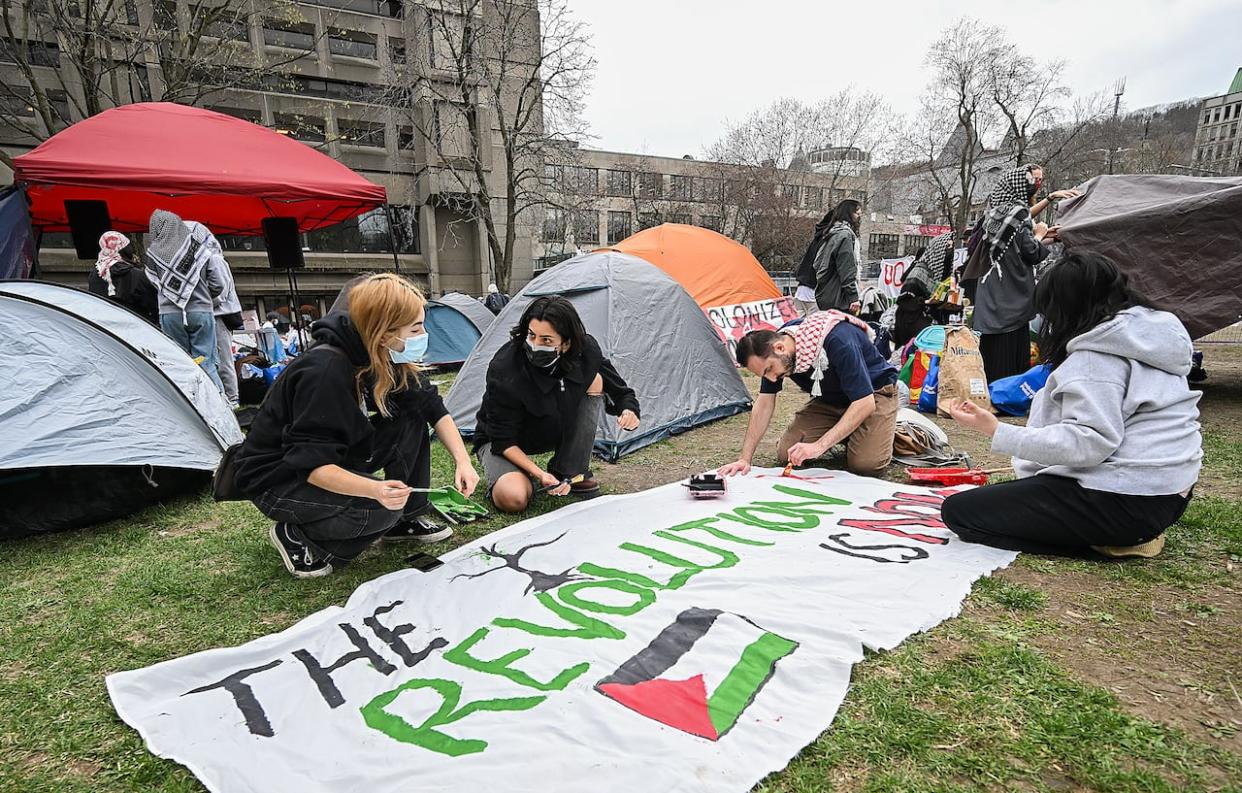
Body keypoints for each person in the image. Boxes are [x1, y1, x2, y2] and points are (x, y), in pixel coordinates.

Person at [941, 251, 1202, 559]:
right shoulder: (1149, 338)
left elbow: (1089, 442)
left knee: (960, 512)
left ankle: (1111, 543)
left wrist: (996, 429)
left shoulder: (1096, 357)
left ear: (1066, 309)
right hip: (1171, 492)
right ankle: (1124, 533)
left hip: (1127, 500)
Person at [232, 273, 480, 578]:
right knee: (382, 511)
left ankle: (407, 519)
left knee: (412, 417)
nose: (422, 335)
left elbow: (431, 407)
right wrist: (374, 489)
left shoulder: (386, 355)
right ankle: (299, 536)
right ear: (385, 332)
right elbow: (312, 464)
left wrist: (463, 461)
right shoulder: (324, 372)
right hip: (279, 478)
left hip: (329, 460)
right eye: (416, 327)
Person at [473, 296, 640, 513]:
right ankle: (517, 477)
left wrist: (628, 410)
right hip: (505, 442)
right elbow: (502, 440)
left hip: (552, 429)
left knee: (596, 379)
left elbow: (620, 390)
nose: (535, 346)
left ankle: (571, 470)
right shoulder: (505, 368)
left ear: (566, 343)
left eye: (546, 340)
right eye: (531, 336)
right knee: (513, 498)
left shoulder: (585, 350)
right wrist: (539, 474)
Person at [720, 309, 899, 479]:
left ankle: (892, 431)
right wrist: (745, 458)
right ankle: (851, 432)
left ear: (780, 347)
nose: (772, 379)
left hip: (873, 394)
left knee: (866, 464)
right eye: (765, 374)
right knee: (787, 453)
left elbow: (864, 403)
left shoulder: (838, 339)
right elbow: (765, 402)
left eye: (770, 369)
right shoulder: (775, 351)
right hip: (831, 400)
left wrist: (819, 446)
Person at [972, 165, 1080, 382]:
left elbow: (1017, 236)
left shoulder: (995, 212)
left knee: (993, 348)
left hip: (994, 290)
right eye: (1034, 182)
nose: (1036, 186)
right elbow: (1031, 251)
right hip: (1011, 293)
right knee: (1012, 344)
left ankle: (991, 386)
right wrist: (1040, 233)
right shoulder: (1017, 214)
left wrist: (1042, 229)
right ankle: (1010, 388)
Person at [144, 209, 226, 390]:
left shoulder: (152, 254)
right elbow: (219, 283)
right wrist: (205, 295)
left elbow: (154, 282)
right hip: (201, 311)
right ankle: (218, 403)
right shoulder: (200, 249)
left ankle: (190, 403)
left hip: (170, 314)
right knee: (206, 361)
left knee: (180, 363)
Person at [191, 222, 244, 408]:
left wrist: (201, 305)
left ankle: (232, 397)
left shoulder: (214, 259)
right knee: (210, 358)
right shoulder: (199, 260)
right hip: (208, 314)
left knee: (223, 359)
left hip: (218, 316)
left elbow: (220, 290)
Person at [88, 231, 158, 324]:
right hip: (137, 325)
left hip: (104, 326)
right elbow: (152, 304)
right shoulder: (137, 275)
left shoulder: (95, 274)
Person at [813, 200, 863, 314]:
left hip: (827, 293)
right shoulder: (845, 235)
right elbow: (847, 268)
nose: (859, 218)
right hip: (839, 298)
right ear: (848, 214)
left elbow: (817, 263)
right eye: (857, 214)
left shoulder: (831, 233)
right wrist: (853, 297)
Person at [792, 211, 833, 316]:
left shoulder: (819, 237)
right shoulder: (829, 240)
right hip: (814, 290)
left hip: (803, 288)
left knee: (798, 324)